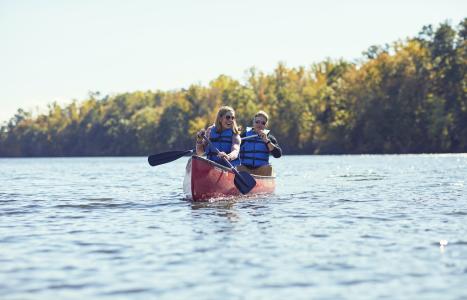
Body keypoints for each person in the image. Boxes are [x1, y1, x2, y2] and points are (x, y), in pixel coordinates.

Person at [238, 110, 282, 176]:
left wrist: (267, 141)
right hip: (245, 169)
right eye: (257, 122)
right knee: (238, 166)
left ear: (266, 125)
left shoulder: (270, 138)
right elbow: (234, 148)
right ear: (253, 123)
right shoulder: (244, 136)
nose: (259, 124)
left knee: (268, 167)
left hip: (261, 170)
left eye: (263, 123)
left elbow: (278, 154)